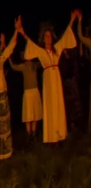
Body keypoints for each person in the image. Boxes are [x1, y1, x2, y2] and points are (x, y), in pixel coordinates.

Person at [17, 12, 79, 145]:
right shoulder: (41, 51)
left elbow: (65, 37)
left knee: (59, 105)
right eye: (46, 36)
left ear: (52, 37)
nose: (48, 39)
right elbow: (30, 44)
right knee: (50, 106)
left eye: (50, 36)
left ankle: (60, 135)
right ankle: (51, 137)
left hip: (56, 79)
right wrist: (22, 32)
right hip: (48, 81)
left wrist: (72, 20)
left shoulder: (56, 49)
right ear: (43, 38)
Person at [6, 47, 42, 140]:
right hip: (27, 92)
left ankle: (33, 133)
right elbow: (13, 66)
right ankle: (28, 134)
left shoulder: (34, 65)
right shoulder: (23, 66)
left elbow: (42, 62)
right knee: (28, 114)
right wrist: (9, 57)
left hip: (35, 90)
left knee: (35, 114)